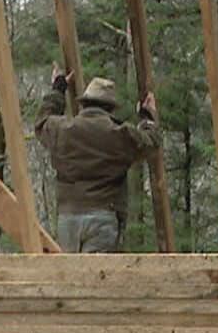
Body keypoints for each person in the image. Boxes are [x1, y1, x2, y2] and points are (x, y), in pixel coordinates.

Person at [34, 73, 160, 253]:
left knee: (71, 270)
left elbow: (42, 122)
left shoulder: (63, 130)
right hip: (103, 215)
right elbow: (150, 142)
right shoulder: (119, 135)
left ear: (84, 103)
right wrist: (148, 117)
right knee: (98, 271)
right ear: (110, 108)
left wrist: (58, 89)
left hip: (68, 216)